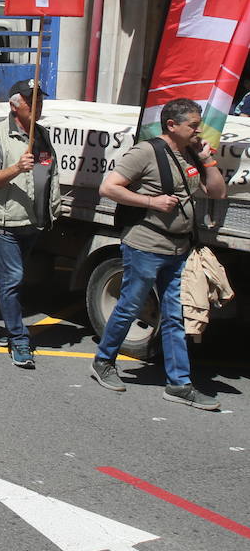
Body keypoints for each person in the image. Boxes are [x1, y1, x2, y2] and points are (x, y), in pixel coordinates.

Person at [92, 98, 225, 410]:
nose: (198, 130)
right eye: (193, 124)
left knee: (175, 315)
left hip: (179, 248)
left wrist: (208, 161)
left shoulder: (192, 151)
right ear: (172, 125)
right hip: (146, 246)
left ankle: (179, 384)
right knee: (129, 307)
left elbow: (217, 192)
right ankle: (103, 361)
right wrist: (151, 203)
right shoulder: (146, 152)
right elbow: (109, 188)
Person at [0, 80, 60, 369]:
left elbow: (47, 171)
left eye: (40, 99)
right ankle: (19, 339)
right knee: (12, 280)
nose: (38, 105)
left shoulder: (41, 134)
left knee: (7, 278)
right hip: (7, 221)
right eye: (31, 99)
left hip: (34, 220)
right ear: (15, 105)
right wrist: (16, 168)